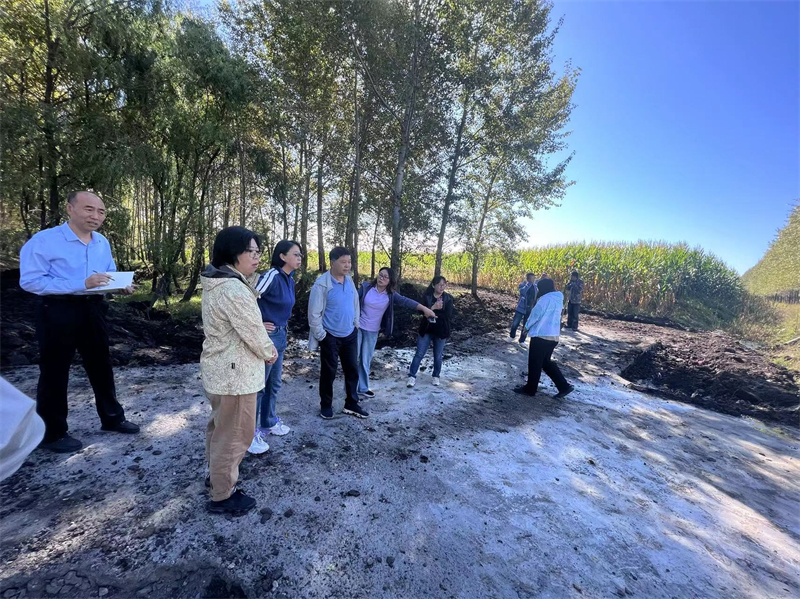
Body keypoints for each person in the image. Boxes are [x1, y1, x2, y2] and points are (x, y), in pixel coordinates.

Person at [19, 190, 139, 454]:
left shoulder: (101, 242)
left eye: (101, 211)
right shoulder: (45, 241)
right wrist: (81, 283)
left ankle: (112, 418)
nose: (96, 216)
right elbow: (30, 281)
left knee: (101, 364)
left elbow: (107, 275)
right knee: (55, 369)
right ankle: (52, 432)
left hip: (93, 309)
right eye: (89, 209)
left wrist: (119, 287)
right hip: (57, 310)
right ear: (70, 209)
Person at [200, 226, 278, 514]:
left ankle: (216, 478)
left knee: (219, 429)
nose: (257, 257)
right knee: (234, 436)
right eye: (250, 251)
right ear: (233, 253)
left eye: (258, 251)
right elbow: (253, 330)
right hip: (236, 375)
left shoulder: (219, 280)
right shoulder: (233, 289)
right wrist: (270, 352)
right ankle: (222, 495)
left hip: (221, 370)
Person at [247, 240, 302, 455]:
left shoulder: (290, 279)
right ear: (282, 256)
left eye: (300, 255)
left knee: (274, 384)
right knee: (259, 386)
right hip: (266, 336)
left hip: (280, 334)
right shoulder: (272, 276)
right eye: (295, 254)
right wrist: (257, 324)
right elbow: (247, 298)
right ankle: (249, 434)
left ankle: (268, 422)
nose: (299, 258)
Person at [355, 267, 436, 398]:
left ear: (390, 281)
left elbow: (406, 301)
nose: (381, 278)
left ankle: (362, 388)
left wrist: (425, 309)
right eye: (380, 275)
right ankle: (351, 389)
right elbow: (352, 300)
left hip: (372, 331)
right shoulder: (366, 287)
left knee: (365, 360)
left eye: (385, 277)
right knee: (354, 359)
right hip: (357, 328)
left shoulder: (391, 295)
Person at [308, 247, 368, 419]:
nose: (347, 265)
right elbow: (313, 314)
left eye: (349, 262)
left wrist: (356, 324)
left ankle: (352, 403)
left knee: (352, 370)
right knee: (329, 373)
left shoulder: (349, 280)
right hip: (330, 336)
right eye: (343, 262)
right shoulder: (321, 285)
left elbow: (355, 303)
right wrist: (322, 336)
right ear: (332, 262)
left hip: (350, 334)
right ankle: (326, 405)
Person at [513, 278, 574, 398]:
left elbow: (535, 315)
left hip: (541, 335)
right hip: (553, 335)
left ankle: (530, 389)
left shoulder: (544, 299)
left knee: (535, 363)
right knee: (546, 363)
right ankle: (564, 387)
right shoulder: (558, 298)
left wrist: (526, 328)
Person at [407, 276, 454, 388]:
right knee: (419, 353)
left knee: (438, 355)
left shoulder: (448, 298)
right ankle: (412, 376)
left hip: (441, 331)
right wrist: (433, 307)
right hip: (426, 330)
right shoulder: (427, 296)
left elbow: (448, 315)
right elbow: (420, 311)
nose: (442, 287)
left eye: (444, 284)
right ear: (433, 285)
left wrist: (433, 314)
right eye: (439, 284)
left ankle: (436, 376)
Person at [510, 273, 535, 344]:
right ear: (528, 278)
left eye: (534, 278)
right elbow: (522, 292)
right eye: (532, 278)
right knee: (515, 323)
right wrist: (528, 284)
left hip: (529, 309)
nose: (533, 280)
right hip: (521, 308)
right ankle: (512, 336)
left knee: (526, 325)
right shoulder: (523, 285)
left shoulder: (535, 287)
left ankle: (522, 340)